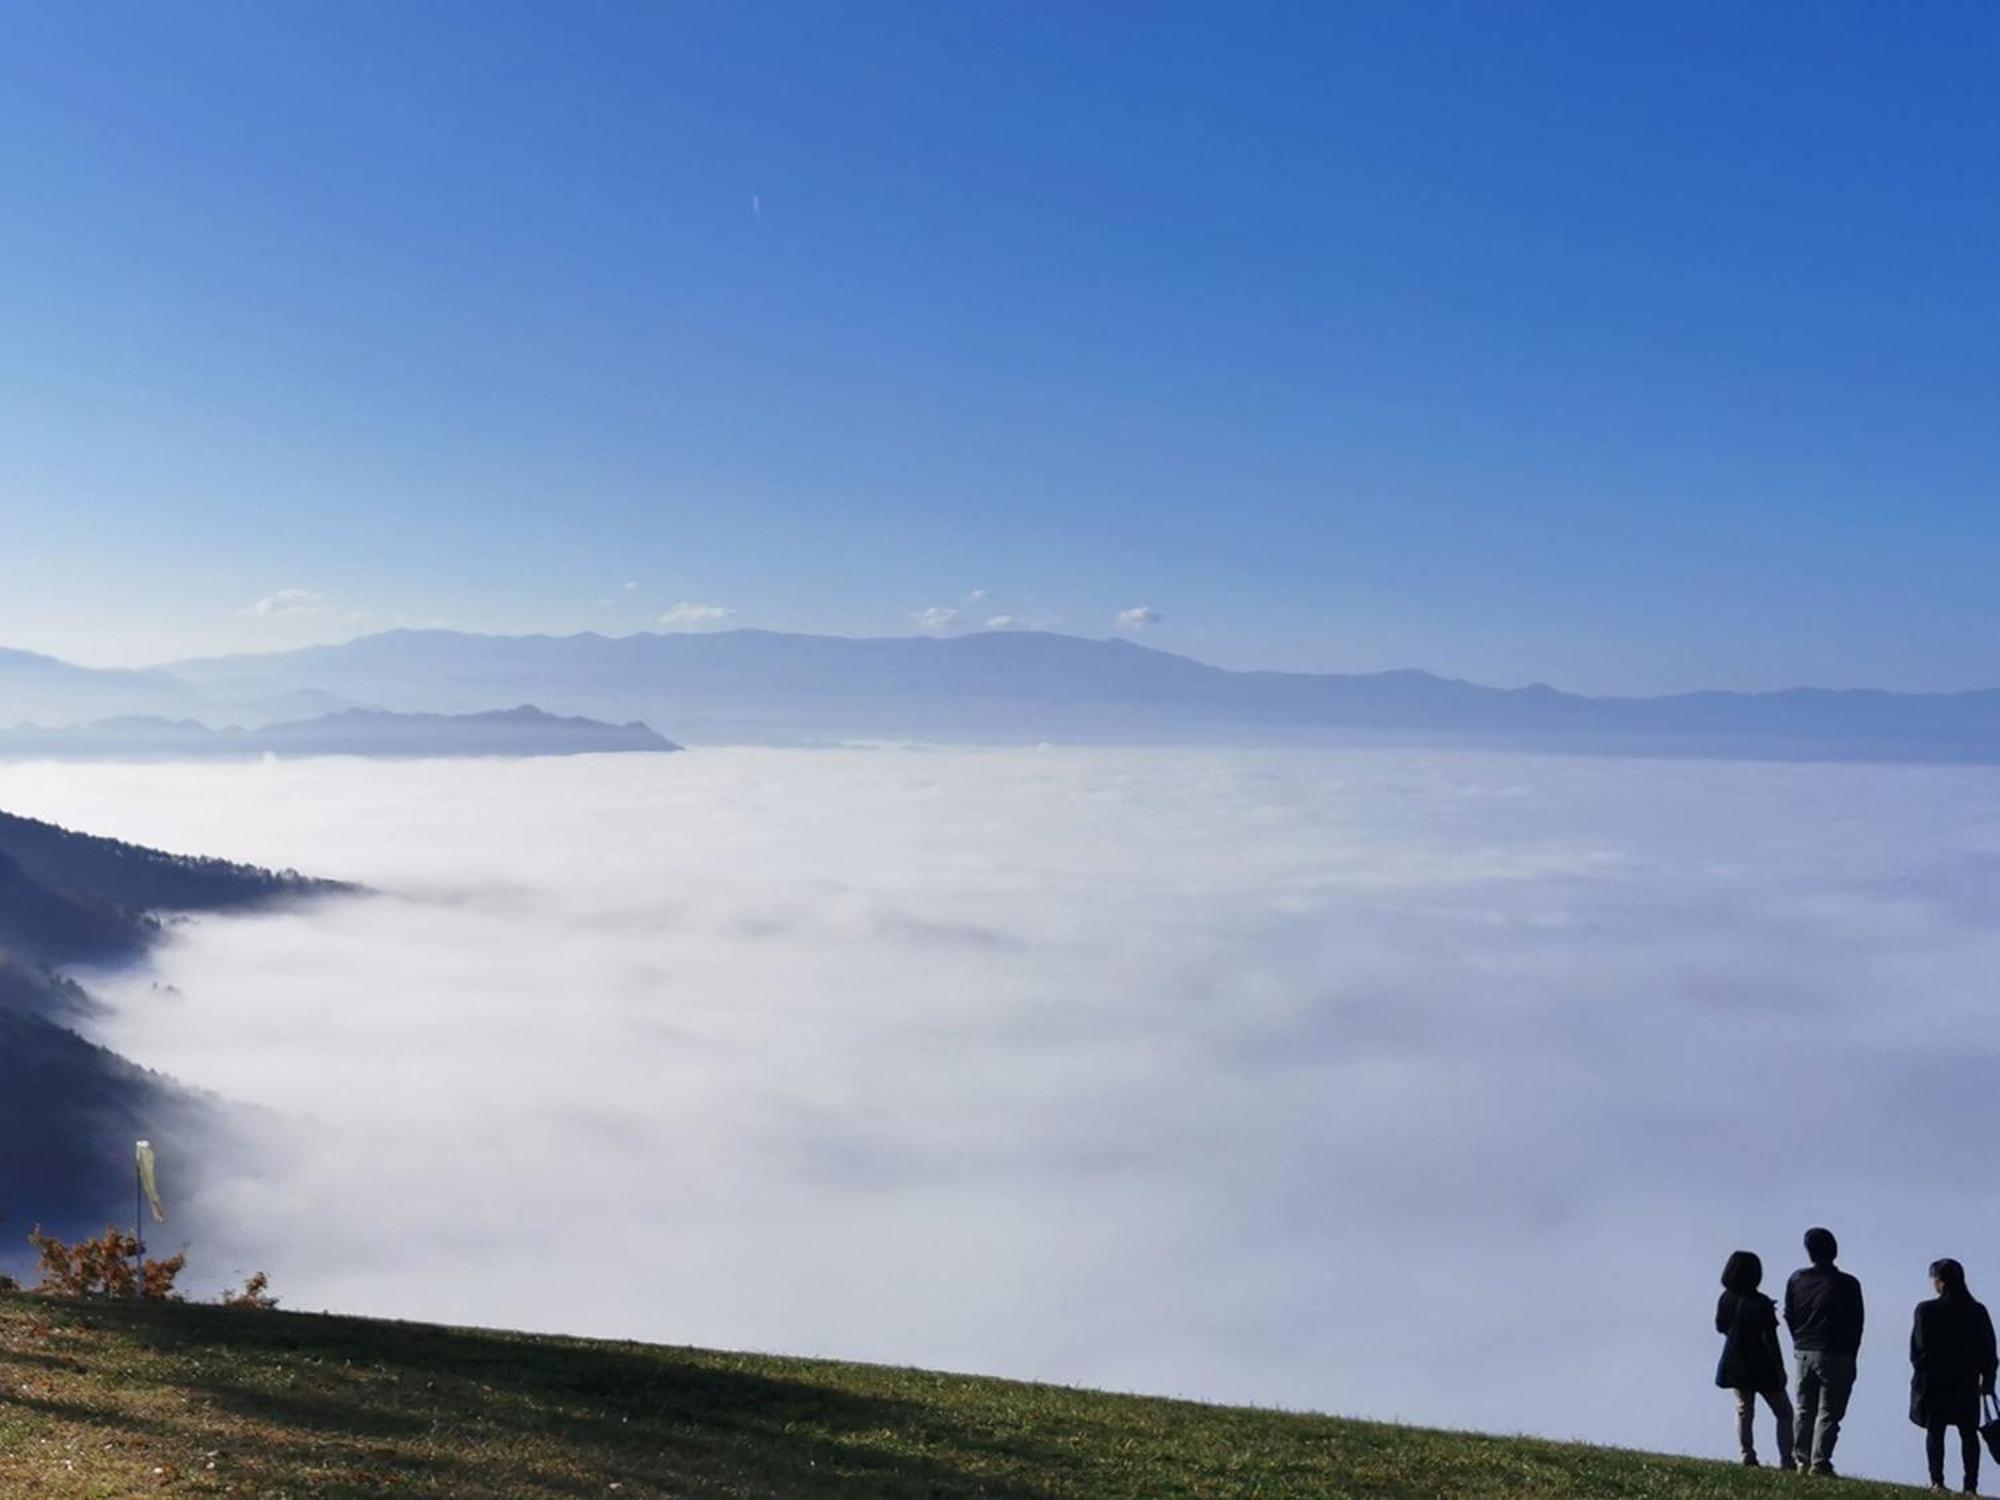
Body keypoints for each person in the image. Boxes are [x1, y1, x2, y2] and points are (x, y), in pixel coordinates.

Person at [1910, 1258, 1997, 1495]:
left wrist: (1922, 1374)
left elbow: (1918, 1350)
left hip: (1935, 1381)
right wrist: (1988, 1381)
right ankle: (1971, 1486)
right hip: (1967, 1381)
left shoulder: (1926, 1310)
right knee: (1969, 1435)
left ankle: (1937, 1482)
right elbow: (1989, 1349)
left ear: (1941, 1281)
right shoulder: (1977, 1311)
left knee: (1935, 1432)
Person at [1787, 1226, 1865, 1477]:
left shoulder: (1797, 1279)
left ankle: (1801, 1460)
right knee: (1829, 1413)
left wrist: (1798, 1340)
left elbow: (1789, 1314)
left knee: (1803, 1409)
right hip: (1837, 1352)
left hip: (1804, 1349)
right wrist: (1852, 1355)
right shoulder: (1849, 1284)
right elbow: (1857, 1322)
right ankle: (1820, 1462)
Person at [1716, 1249, 1795, 1468]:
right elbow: (1770, 1339)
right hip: (1763, 1365)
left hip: (1736, 1362)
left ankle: (1746, 1454)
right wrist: (1779, 1368)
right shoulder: (1761, 1303)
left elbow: (1720, 1326)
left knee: (1744, 1409)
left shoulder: (1726, 1299)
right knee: (1784, 1413)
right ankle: (1787, 1459)